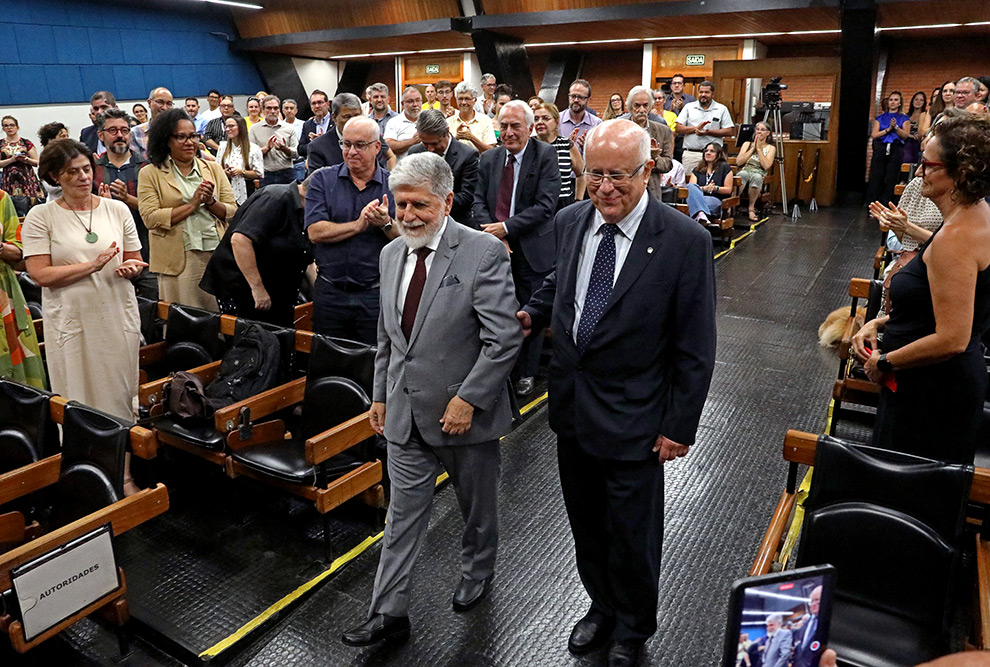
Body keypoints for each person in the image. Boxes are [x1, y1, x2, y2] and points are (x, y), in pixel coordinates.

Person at [516, 119, 716, 667]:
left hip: (637, 417)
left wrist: (679, 425)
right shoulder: (571, 220)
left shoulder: (684, 243)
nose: (605, 188)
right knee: (586, 524)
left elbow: (696, 347)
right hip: (573, 409)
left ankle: (633, 626)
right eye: (594, 175)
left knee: (632, 532)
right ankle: (601, 605)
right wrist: (532, 312)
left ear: (647, 171)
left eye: (618, 177)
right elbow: (564, 281)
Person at [341, 151, 522, 648]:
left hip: (463, 417)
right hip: (404, 414)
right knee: (401, 516)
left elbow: (503, 338)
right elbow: (388, 337)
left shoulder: (482, 252)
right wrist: (379, 396)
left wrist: (469, 399)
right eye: (401, 205)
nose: (408, 217)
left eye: (419, 206)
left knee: (477, 508)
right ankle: (388, 612)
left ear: (446, 202)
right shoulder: (390, 253)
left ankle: (478, 569)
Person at [853, 114, 990, 465]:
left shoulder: (955, 239)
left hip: (931, 391)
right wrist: (881, 324)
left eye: (927, 166)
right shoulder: (975, 216)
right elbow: (943, 303)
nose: (918, 173)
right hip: (939, 383)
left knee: (907, 489)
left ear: (960, 172)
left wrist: (883, 361)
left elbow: (952, 338)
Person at [23, 139, 146, 497]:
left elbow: (136, 259)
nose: (82, 177)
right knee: (78, 397)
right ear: (54, 176)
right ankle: (85, 480)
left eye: (86, 169)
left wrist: (131, 267)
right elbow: (40, 275)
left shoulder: (116, 210)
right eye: (72, 172)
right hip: (72, 320)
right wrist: (91, 266)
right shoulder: (41, 216)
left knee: (120, 397)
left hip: (115, 314)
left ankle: (123, 478)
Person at [473, 101, 559, 397]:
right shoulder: (489, 159)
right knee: (496, 310)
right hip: (494, 247)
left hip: (532, 249)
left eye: (515, 126)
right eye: (503, 126)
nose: (508, 132)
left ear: (530, 128)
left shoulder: (545, 155)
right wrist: (494, 233)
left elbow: (546, 205)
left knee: (529, 311)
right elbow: (477, 202)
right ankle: (501, 369)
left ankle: (527, 372)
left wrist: (506, 229)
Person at [304, 116, 398, 343]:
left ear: (377, 147)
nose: (351, 151)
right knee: (329, 362)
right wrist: (359, 225)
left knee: (373, 363)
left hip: (375, 293)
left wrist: (385, 223)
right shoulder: (322, 181)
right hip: (330, 293)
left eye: (360, 145)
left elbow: (407, 239)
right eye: (346, 144)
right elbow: (315, 232)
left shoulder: (393, 185)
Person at [137, 109, 236, 311]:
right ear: (166, 140)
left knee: (220, 320)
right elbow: (150, 218)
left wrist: (210, 202)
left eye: (193, 136)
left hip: (215, 253)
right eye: (181, 137)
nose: (189, 142)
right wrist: (192, 204)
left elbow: (233, 211)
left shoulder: (213, 169)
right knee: (186, 321)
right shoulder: (150, 173)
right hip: (178, 260)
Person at [201, 178, 313, 327]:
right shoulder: (274, 198)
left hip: (277, 290)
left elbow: (305, 254)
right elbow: (240, 240)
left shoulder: (306, 208)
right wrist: (258, 289)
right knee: (253, 344)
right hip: (244, 289)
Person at [92, 109, 157, 300]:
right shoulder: (91, 170)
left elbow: (156, 211)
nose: (120, 135)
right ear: (100, 135)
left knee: (154, 312)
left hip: (147, 254)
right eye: (113, 131)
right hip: (106, 258)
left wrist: (126, 199)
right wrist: (104, 205)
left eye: (124, 130)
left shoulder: (148, 168)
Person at [0, 189, 46, 390]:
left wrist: (1, 247)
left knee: (17, 385)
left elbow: (19, 251)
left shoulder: (1, 198)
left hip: (3, 295)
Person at [406, 110, 479, 225]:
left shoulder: (467, 155)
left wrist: (429, 202)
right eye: (425, 143)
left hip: (455, 222)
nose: (430, 149)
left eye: (435, 143)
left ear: (447, 132)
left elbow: (466, 197)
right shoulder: (414, 152)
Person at [306, 93, 396, 174]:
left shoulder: (372, 136)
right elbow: (316, 185)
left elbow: (390, 157)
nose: (353, 121)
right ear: (334, 117)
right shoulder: (317, 147)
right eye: (347, 117)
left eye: (356, 115)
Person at [626, 86, 674, 202]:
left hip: (651, 190)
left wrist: (655, 158)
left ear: (650, 106)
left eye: (645, 105)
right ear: (630, 107)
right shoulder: (620, 128)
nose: (642, 110)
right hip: (626, 188)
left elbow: (668, 164)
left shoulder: (663, 131)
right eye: (637, 105)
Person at [676, 80, 735, 173]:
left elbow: (729, 131)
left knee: (712, 184)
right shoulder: (689, 107)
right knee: (689, 184)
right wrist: (696, 128)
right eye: (701, 92)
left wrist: (709, 132)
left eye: (707, 92)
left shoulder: (721, 109)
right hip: (692, 154)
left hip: (714, 156)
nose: (703, 94)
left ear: (713, 94)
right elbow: (678, 128)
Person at [533, 102, 584, 210]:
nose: (540, 122)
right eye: (536, 119)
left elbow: (581, 174)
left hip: (563, 205)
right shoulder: (529, 145)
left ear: (556, 123)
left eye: (546, 118)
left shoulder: (567, 145)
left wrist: (578, 200)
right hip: (536, 205)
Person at [866, 91, 911, 206]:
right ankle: (873, 203)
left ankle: (888, 204)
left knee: (891, 177)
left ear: (900, 103)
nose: (893, 102)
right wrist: (887, 130)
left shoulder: (904, 118)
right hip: (881, 147)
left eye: (896, 100)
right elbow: (874, 134)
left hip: (896, 148)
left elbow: (905, 135)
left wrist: (895, 127)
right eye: (891, 100)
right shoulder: (880, 118)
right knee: (876, 176)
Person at [248, 95, 298, 187]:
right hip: (266, 175)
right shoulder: (254, 129)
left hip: (286, 173)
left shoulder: (289, 128)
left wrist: (284, 148)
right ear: (262, 110)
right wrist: (267, 148)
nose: (272, 111)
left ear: (279, 110)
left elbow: (296, 154)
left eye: (275, 108)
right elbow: (251, 156)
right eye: (269, 108)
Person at [0, 116, 44, 216]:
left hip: (27, 179)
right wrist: (11, 160)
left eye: (11, 125)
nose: (9, 128)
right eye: (6, 126)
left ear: (17, 127)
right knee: (13, 210)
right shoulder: (1, 144)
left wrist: (26, 159)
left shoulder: (26, 143)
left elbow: (37, 162)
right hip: (9, 181)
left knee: (32, 208)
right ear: (3, 129)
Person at [217, 115, 264, 205]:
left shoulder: (254, 148)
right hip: (227, 191)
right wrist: (225, 172)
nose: (228, 129)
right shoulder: (222, 148)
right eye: (226, 126)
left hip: (247, 191)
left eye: (231, 126)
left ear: (241, 127)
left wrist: (241, 172)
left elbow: (259, 173)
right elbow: (217, 171)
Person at [735, 122, 776, 222]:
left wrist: (759, 149)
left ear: (768, 133)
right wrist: (753, 148)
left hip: (759, 171)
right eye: (757, 129)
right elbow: (739, 162)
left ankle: (751, 208)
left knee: (757, 177)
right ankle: (732, 206)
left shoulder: (771, 148)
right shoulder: (747, 144)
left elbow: (766, 165)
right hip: (745, 169)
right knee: (742, 175)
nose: (759, 132)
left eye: (762, 130)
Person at [686, 142, 734, 225]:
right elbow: (691, 188)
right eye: (706, 151)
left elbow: (728, 190)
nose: (708, 153)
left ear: (718, 154)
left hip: (714, 199)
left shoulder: (725, 167)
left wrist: (715, 188)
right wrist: (705, 188)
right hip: (699, 198)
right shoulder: (698, 169)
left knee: (695, 204)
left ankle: (700, 214)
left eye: (712, 151)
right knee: (690, 186)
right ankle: (701, 215)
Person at [448, 82, 496, 153]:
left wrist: (472, 138)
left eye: (467, 99)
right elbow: (444, 150)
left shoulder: (485, 120)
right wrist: (456, 138)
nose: (463, 102)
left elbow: (491, 151)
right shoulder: (448, 122)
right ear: (456, 100)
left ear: (475, 100)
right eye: (460, 99)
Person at [130, 87, 174, 156]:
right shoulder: (135, 133)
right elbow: (136, 165)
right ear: (149, 103)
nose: (164, 107)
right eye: (160, 102)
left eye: (169, 104)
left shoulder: (178, 132)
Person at [384, 86, 423, 160]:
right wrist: (412, 142)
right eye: (410, 101)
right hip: (403, 169)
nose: (415, 104)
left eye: (418, 100)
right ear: (402, 104)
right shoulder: (394, 122)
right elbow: (388, 146)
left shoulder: (427, 119)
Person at [792, 585, 823, 667]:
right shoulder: (806, 623)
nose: (813, 604)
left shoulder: (826, 623)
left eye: (817, 601)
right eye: (812, 601)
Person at [298, 89, 332, 159]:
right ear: (311, 106)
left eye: (320, 102)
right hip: (315, 166)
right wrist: (315, 143)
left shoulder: (336, 122)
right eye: (313, 103)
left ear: (328, 104)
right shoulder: (307, 125)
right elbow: (300, 150)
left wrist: (322, 141)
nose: (317, 106)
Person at [80, 91, 115, 156]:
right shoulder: (86, 133)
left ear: (115, 108)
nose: (99, 112)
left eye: (104, 107)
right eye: (96, 109)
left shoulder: (132, 130)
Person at [904, 91, 929, 163]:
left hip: (918, 144)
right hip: (906, 142)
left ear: (924, 103)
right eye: (916, 99)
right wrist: (910, 136)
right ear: (912, 101)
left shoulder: (926, 115)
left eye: (921, 100)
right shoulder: (906, 116)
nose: (918, 102)